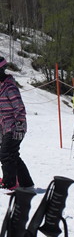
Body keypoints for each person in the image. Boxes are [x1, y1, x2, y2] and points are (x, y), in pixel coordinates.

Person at [0, 56, 33, 189]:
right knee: (12, 154)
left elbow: (19, 107)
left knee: (6, 154)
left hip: (15, 127)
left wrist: (19, 126)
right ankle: (26, 182)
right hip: (5, 127)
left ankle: (10, 183)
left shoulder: (9, 88)